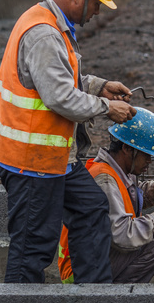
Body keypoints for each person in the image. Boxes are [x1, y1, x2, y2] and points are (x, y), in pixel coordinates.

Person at [0, 0, 137, 284]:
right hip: (31, 162)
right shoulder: (44, 33)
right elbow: (61, 98)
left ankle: (94, 290)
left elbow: (59, 80)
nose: (96, 12)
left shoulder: (52, 24)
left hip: (53, 159)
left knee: (92, 209)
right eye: (96, 3)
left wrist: (100, 86)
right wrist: (109, 108)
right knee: (32, 248)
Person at [59, 107, 154, 284]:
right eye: (146, 155)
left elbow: (133, 195)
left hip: (95, 258)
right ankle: (123, 295)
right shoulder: (104, 179)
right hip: (81, 271)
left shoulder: (120, 171)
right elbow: (123, 236)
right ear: (126, 148)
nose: (149, 161)